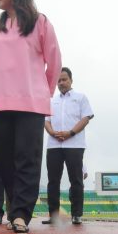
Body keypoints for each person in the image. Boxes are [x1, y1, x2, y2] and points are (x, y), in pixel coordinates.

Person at [0, 0, 62, 233]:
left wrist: (44, 93)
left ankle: (20, 214)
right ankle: (15, 206)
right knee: (4, 161)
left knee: (27, 159)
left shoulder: (40, 23)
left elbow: (54, 63)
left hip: (31, 103)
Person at [43, 67, 94, 225]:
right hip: (54, 145)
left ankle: (76, 214)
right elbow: (46, 120)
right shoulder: (52, 100)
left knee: (76, 179)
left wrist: (70, 133)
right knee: (53, 181)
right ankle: (54, 215)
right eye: (59, 80)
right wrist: (52, 133)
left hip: (75, 144)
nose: (61, 83)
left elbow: (85, 118)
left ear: (71, 80)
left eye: (64, 79)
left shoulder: (80, 98)